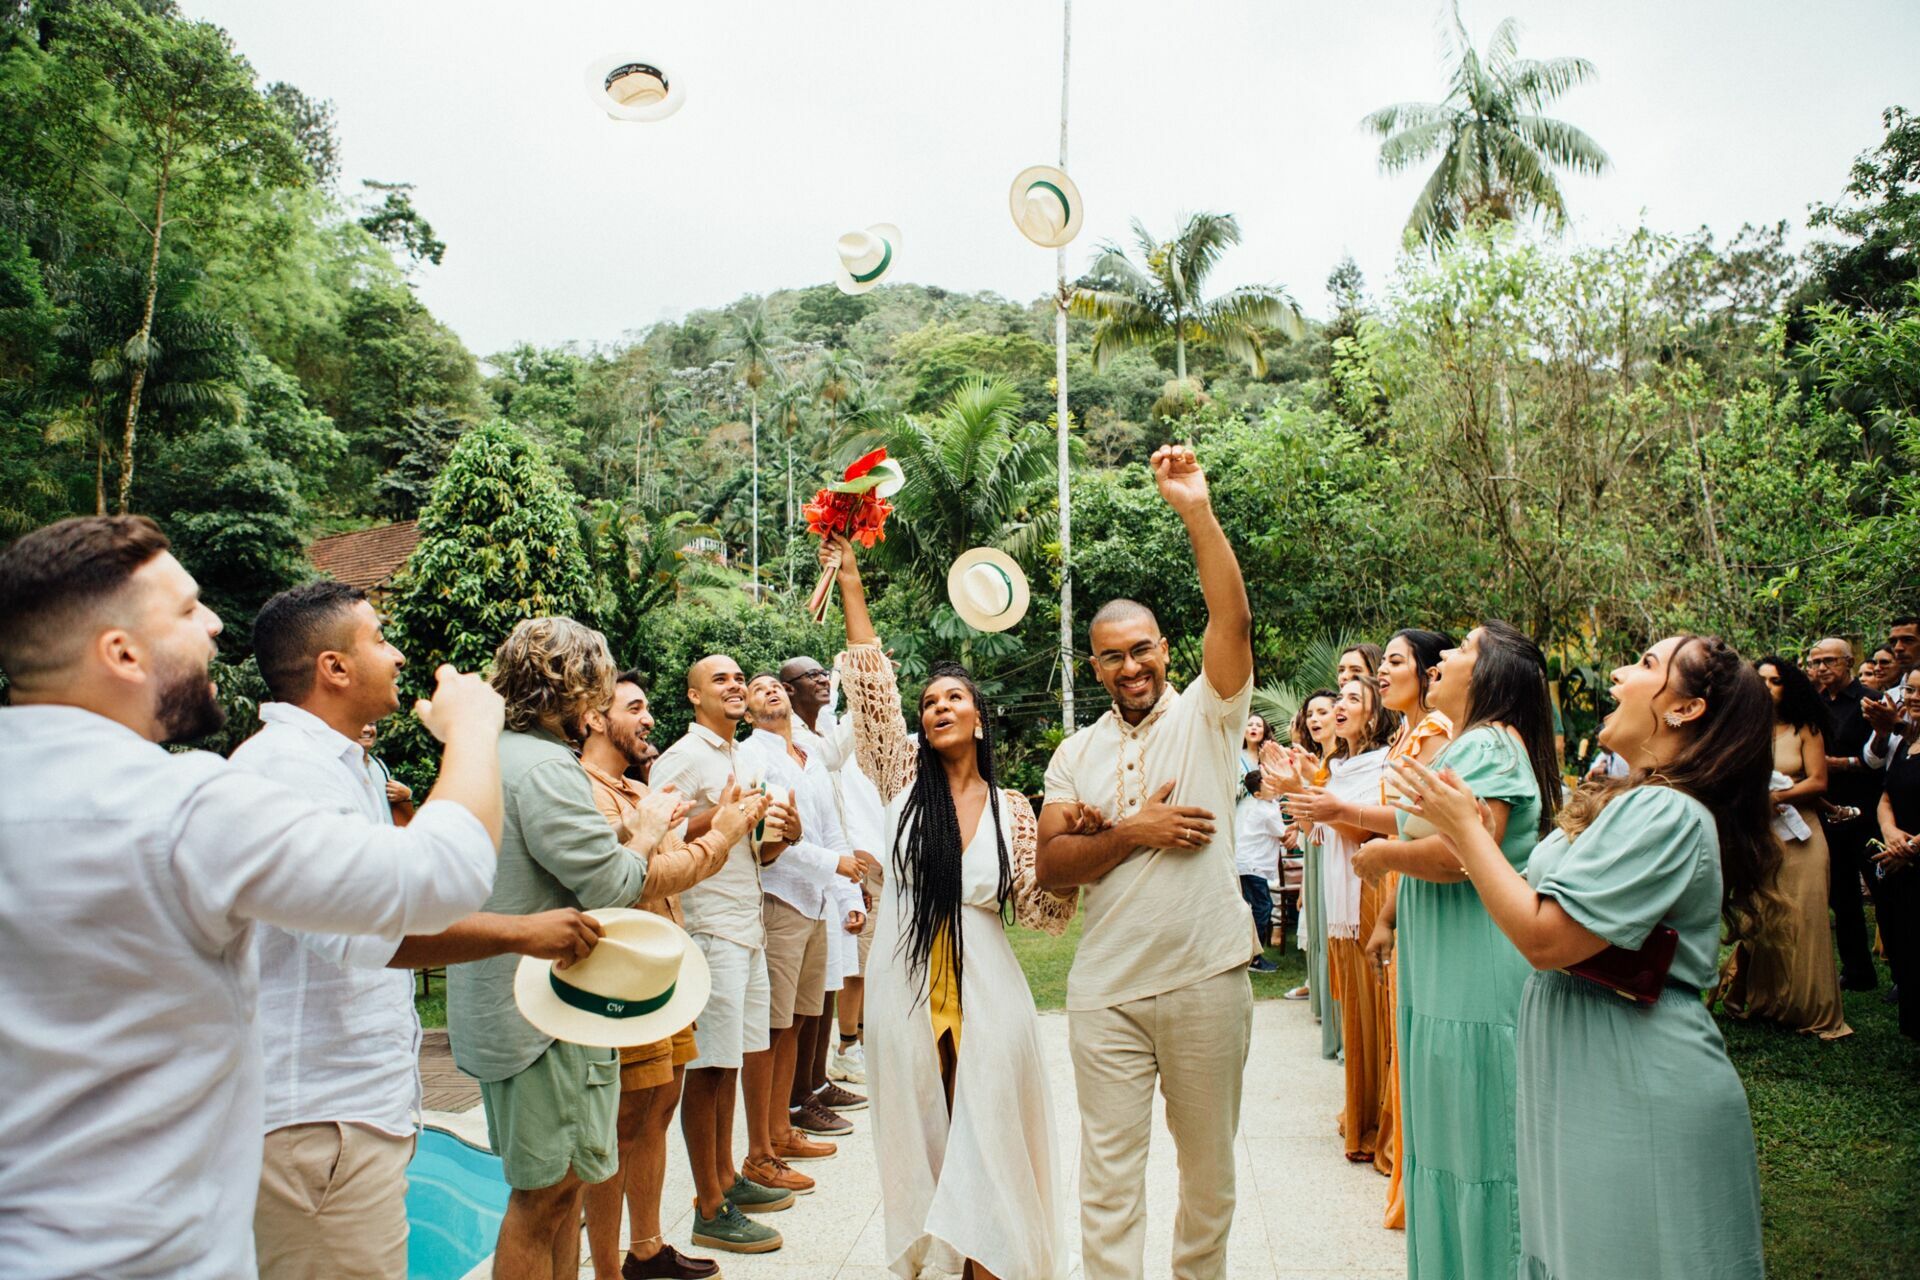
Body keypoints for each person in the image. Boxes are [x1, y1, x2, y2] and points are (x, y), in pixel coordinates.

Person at [0, 515, 504, 1279]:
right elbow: (437, 877)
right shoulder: (184, 807)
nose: (213, 626)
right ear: (122, 652)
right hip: (153, 1248)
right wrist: (473, 730)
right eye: (186, 609)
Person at [237, 583, 602, 1280]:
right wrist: (472, 734)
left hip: (346, 1117)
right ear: (333, 668)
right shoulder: (289, 771)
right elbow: (395, 914)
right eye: (378, 638)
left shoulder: (341, 765)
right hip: (316, 1123)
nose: (399, 653)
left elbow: (384, 912)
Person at [1390, 634, 1774, 1279]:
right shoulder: (1634, 799)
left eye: (1648, 665)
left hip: (1633, 1068)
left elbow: (1544, 937)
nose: (1620, 673)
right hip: (1583, 1057)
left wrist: (1462, 829)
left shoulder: (1668, 812)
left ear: (1685, 709)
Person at [1034, 444, 1260, 1280]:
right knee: (1109, 1180)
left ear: (1166, 648)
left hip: (1206, 975)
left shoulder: (1208, 715)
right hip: (1105, 991)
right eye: (1111, 656)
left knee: (1208, 1178)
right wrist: (1133, 831)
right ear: (1091, 666)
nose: (1130, 666)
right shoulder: (1074, 752)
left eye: (1142, 649)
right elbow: (1055, 865)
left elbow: (1231, 621)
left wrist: (1195, 510)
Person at [825, 532, 1074, 1280]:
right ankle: (942, 1259)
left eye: (952, 698)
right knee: (923, 1126)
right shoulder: (901, 773)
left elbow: (1041, 910)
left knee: (988, 1122)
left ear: (979, 717)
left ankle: (992, 1263)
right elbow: (871, 682)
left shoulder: (1014, 809)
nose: (936, 708)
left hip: (988, 988)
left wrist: (1079, 841)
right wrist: (851, 578)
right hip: (907, 987)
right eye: (929, 701)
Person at [444, 617, 663, 1280]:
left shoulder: (491, 754)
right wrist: (646, 830)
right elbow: (613, 884)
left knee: (560, 1197)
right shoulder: (544, 768)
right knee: (544, 1201)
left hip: (499, 1002)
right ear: (577, 685)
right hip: (540, 1018)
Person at [1355, 623, 1559, 1276]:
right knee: (1448, 1141)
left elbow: (1463, 855)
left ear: (1495, 677)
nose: (1443, 658)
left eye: (1463, 650)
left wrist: (1386, 856)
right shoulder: (1470, 747)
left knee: (1482, 1148)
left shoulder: (1493, 746)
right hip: (1445, 974)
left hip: (1476, 974)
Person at [579, 671, 765, 1280]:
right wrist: (725, 832)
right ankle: (609, 1268)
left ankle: (648, 1249)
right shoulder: (585, 791)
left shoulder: (633, 792)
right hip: (619, 980)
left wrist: (722, 825)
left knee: (657, 1106)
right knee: (620, 1125)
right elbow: (640, 877)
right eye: (635, 708)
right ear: (593, 718)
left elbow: (669, 862)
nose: (649, 719)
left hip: (662, 971)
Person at [649, 656, 805, 1253]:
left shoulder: (740, 756)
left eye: (740, 678)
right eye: (721, 679)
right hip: (710, 927)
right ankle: (708, 1207)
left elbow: (746, 848)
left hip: (748, 921)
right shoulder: (685, 756)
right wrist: (729, 813)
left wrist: (777, 835)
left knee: (732, 1060)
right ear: (693, 696)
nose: (736, 685)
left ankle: (727, 1179)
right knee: (707, 1069)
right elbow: (661, 826)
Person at [735, 671, 864, 1170]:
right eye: (757, 688)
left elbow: (832, 832)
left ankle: (783, 1129)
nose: (768, 689)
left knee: (797, 1022)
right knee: (769, 1029)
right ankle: (761, 1145)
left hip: (814, 905)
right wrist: (836, 866)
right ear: (747, 713)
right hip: (778, 899)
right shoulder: (752, 756)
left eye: (774, 685)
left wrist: (847, 892)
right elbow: (771, 842)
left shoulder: (807, 756)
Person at [1360, 628, 1454, 1232]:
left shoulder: (1438, 734)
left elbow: (1415, 826)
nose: (1380, 673)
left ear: (1428, 670)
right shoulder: (1408, 734)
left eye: (1394, 661)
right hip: (1401, 884)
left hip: (1416, 879)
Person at [1283, 679, 1394, 1166]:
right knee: (1355, 1013)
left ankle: (1377, 1124)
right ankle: (1361, 1113)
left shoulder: (1382, 763)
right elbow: (1319, 829)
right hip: (1339, 898)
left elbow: (1373, 830)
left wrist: (1322, 802)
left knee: (1374, 1013)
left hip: (1367, 894)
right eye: (1338, 699)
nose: (1338, 708)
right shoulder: (1341, 765)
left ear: (1374, 714)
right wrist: (1305, 795)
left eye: (1352, 699)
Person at [1719, 655, 1852, 1039]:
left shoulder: (1805, 728)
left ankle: (1811, 1008)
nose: (1765, 688)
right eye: (1759, 681)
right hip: (1760, 836)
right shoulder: (1745, 731)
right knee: (1761, 918)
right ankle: (1768, 1002)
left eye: (1774, 681)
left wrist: (1779, 797)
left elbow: (1819, 782)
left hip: (1803, 834)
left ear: (1787, 687)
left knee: (1805, 917)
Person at [1806, 637, 1881, 990]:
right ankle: (1857, 971)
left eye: (1829, 661)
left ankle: (1901, 972)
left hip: (1866, 810)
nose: (1822, 668)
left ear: (1849, 662)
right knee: (1842, 895)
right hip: (1826, 811)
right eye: (1816, 661)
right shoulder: (1813, 705)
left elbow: (1882, 758)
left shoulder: (1871, 700)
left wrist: (1842, 765)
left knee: (1884, 891)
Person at [1284, 691, 1341, 1052]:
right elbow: (1309, 828)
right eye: (1310, 714)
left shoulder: (1340, 763)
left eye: (1323, 712)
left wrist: (1299, 785)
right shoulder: (1318, 762)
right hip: (1319, 853)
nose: (1314, 719)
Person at [1870, 667, 1920, 1037]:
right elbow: (1886, 794)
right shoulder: (1909, 739)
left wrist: (1912, 846)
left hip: (1913, 853)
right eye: (1910, 690)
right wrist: (1890, 833)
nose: (1914, 698)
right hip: (1896, 851)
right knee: (1902, 937)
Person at [1236, 713, 1286, 971]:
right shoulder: (1236, 757)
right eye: (1250, 724)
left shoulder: (1270, 757)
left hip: (1258, 828)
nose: (1254, 728)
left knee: (1256, 900)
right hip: (1249, 824)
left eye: (1259, 724)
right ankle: (1252, 954)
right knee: (1258, 902)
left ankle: (1252, 952)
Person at [359, 720, 415, 825]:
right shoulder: (341, 767)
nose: (367, 729)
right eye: (360, 723)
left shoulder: (379, 765)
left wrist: (406, 796)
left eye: (371, 724)